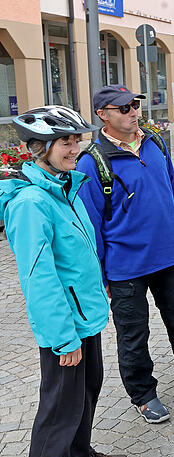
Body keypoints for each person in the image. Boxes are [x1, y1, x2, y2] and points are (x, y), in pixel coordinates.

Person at [77, 85, 174, 424]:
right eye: (123, 108)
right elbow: (91, 224)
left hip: (167, 255)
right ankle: (143, 394)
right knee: (134, 334)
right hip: (125, 266)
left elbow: (173, 189)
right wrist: (102, 275)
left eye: (135, 104)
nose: (133, 112)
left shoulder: (154, 142)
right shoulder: (93, 161)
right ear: (102, 114)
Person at [1, 106, 121, 457]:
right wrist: (62, 339)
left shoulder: (65, 188)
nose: (75, 149)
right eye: (64, 142)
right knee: (59, 413)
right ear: (40, 148)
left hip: (85, 318)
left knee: (85, 395)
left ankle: (80, 453)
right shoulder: (31, 203)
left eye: (76, 140)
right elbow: (38, 279)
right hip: (65, 328)